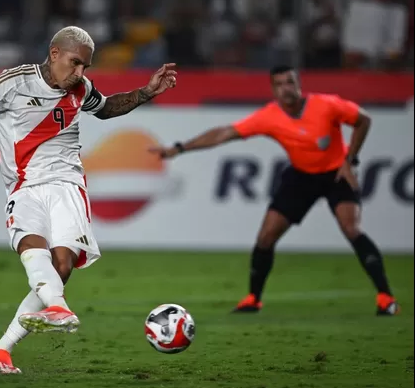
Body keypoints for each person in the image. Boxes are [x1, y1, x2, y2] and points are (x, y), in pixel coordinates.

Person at [0, 26, 177, 374]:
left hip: (67, 184)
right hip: (22, 186)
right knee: (31, 247)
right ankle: (30, 327)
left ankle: (12, 341)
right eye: (75, 63)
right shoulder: (11, 83)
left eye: (85, 66)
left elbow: (107, 107)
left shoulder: (81, 89)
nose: (80, 73)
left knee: (63, 266)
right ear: (54, 54)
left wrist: (146, 92)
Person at [149, 65, 400, 317]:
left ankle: (386, 298)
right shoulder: (269, 116)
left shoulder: (327, 105)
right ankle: (253, 299)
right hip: (301, 177)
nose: (285, 89)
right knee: (266, 236)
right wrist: (179, 148)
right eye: (279, 84)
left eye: (289, 82)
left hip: (337, 173)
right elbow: (224, 133)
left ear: (299, 84)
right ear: (273, 89)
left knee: (352, 229)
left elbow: (363, 120)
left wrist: (350, 161)